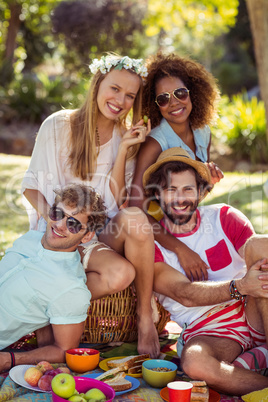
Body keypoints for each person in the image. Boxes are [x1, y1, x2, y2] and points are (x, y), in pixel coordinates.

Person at [21, 53, 160, 358]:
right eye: (114, 89)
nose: (120, 100)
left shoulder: (126, 136)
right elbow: (32, 188)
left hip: (93, 237)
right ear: (98, 83)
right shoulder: (58, 125)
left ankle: (145, 318)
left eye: (129, 95)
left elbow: (113, 203)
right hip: (55, 232)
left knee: (132, 231)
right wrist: (61, 226)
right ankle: (51, 300)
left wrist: (124, 150)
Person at [143, 147, 268, 395]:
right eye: (171, 190)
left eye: (188, 189)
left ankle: (257, 353)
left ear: (200, 191)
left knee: (260, 244)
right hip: (208, 330)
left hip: (255, 308)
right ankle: (259, 372)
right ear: (157, 194)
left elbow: (259, 257)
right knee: (195, 362)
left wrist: (248, 289)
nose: (180, 199)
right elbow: (184, 293)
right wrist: (241, 286)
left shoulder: (223, 217)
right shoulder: (151, 245)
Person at [130, 52, 224, 281]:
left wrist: (208, 184)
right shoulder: (155, 143)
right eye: (163, 98)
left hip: (184, 220)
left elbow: (192, 195)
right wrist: (180, 250)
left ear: (193, 92)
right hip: (159, 231)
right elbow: (135, 208)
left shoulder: (203, 132)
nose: (173, 102)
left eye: (180, 93)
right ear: (155, 105)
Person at [0, 183, 107, 372]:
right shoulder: (31, 237)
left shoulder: (70, 288)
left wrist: (8, 360)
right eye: (57, 214)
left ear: (87, 236)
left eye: (73, 224)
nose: (59, 225)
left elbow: (64, 350)